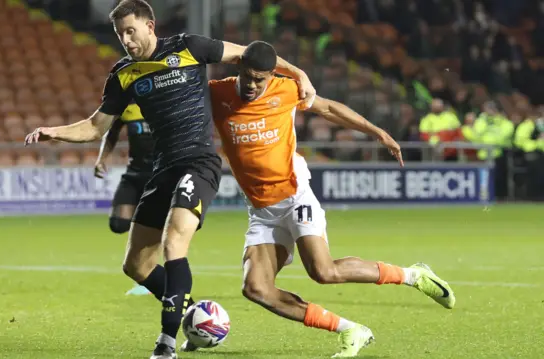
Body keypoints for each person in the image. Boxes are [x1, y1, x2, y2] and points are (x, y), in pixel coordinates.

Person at [24, 1, 316, 358]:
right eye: (120, 35)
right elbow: (96, 126)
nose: (126, 41)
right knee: (136, 265)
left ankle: (166, 344)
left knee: (174, 241)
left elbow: (250, 56)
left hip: (199, 162)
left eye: (131, 31)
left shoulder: (188, 47)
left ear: (150, 25)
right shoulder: (123, 75)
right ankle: (193, 312)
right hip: (162, 169)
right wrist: (52, 132)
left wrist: (299, 74)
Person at [204, 41, 455, 357]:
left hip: (295, 196)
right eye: (248, 77)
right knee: (256, 288)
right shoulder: (217, 93)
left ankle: (413, 275)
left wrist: (378, 132)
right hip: (261, 211)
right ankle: (350, 329)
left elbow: (329, 108)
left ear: (272, 76)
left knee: (324, 272)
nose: (253, 85)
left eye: (260, 79)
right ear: (238, 69)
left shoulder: (285, 90)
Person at [94, 102, 153, 296]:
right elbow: (111, 133)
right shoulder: (126, 106)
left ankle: (150, 279)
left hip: (158, 175)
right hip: (134, 173)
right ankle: (146, 270)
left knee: (152, 227)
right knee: (119, 223)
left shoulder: (163, 100)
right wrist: (102, 158)